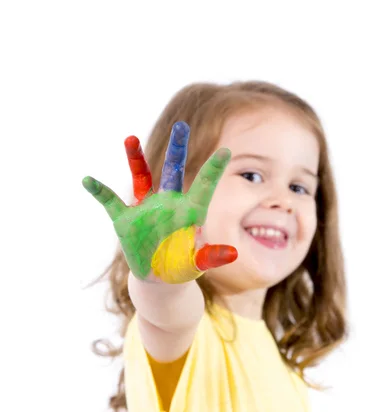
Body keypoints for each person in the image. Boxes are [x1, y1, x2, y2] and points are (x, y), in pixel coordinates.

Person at [83, 80, 348, 412]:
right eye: (252, 175)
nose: (283, 201)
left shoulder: (283, 367)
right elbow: (167, 310)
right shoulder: (182, 332)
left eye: (299, 186)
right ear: (180, 194)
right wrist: (159, 281)